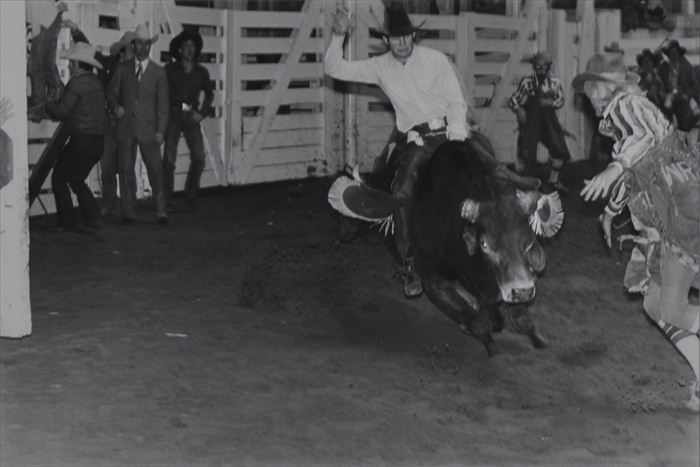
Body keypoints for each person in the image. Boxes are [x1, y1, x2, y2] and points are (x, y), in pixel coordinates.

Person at [576, 54, 700, 412]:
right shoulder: (627, 115)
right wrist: (613, 210)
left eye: (593, 88)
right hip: (662, 220)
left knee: (670, 308)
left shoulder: (626, 104)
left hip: (672, 220)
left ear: (608, 86)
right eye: (588, 92)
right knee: (654, 305)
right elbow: (639, 167)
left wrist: (611, 170)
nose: (591, 97)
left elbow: (643, 142)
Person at [324, 1, 470, 298]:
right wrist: (338, 36)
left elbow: (456, 101)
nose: (402, 43)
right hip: (416, 140)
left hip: (450, 132)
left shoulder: (436, 60)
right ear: (386, 40)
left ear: (413, 36)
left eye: (406, 36)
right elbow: (334, 68)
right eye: (395, 37)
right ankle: (410, 264)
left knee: (483, 174)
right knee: (402, 191)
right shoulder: (380, 66)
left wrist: (456, 138)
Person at [108, 24, 169, 225]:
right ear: (133, 45)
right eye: (139, 43)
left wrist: (161, 130)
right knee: (125, 169)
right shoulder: (123, 68)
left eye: (146, 43)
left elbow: (163, 105)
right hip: (126, 127)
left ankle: (161, 210)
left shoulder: (158, 72)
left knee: (155, 169)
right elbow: (111, 93)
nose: (143, 47)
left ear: (150, 46)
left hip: (149, 129)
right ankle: (128, 211)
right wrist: (115, 106)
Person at [43, 43, 105, 232]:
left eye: (71, 62)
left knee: (59, 178)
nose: (69, 65)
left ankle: (68, 222)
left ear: (78, 64)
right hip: (97, 142)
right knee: (77, 179)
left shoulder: (76, 83)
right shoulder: (96, 82)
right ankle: (93, 217)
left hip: (82, 141)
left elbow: (62, 111)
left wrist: (48, 105)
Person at [163, 29, 214, 211]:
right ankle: (166, 198)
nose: (189, 50)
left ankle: (191, 194)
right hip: (173, 116)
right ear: (179, 50)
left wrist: (202, 113)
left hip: (191, 117)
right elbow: (161, 93)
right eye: (186, 46)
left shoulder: (201, 72)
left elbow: (209, 94)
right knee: (169, 159)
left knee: (199, 157)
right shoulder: (169, 70)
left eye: (193, 46)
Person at [509, 52, 571, 193]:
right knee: (527, 153)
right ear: (533, 67)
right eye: (538, 67)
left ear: (549, 67)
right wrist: (519, 110)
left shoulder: (555, 83)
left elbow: (560, 100)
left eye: (544, 67)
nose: (541, 70)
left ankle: (554, 181)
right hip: (532, 122)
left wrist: (551, 102)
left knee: (560, 151)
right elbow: (513, 100)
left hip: (549, 122)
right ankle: (527, 185)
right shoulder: (527, 82)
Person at [98, 31, 136, 217]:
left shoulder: (139, 70)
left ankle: (128, 207)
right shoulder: (112, 65)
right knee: (107, 166)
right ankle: (109, 203)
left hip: (127, 124)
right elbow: (94, 55)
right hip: (110, 122)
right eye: (129, 46)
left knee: (126, 167)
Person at [658, 40, 700, 133]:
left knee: (685, 120)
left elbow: (694, 85)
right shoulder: (663, 67)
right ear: (668, 54)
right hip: (668, 97)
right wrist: (664, 95)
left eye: (675, 53)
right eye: (671, 53)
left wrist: (687, 94)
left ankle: (685, 130)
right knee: (666, 111)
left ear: (679, 54)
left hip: (683, 96)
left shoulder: (686, 66)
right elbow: (659, 84)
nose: (673, 55)